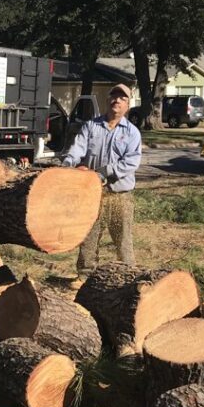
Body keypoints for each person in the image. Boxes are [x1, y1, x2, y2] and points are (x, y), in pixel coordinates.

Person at [61, 83, 142, 275]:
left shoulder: (132, 133)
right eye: (114, 96)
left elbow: (131, 162)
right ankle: (84, 276)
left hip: (119, 195)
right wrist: (67, 166)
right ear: (107, 101)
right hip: (92, 194)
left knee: (123, 239)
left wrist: (103, 172)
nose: (117, 100)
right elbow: (77, 149)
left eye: (123, 98)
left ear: (128, 105)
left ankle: (129, 275)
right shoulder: (91, 126)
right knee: (89, 236)